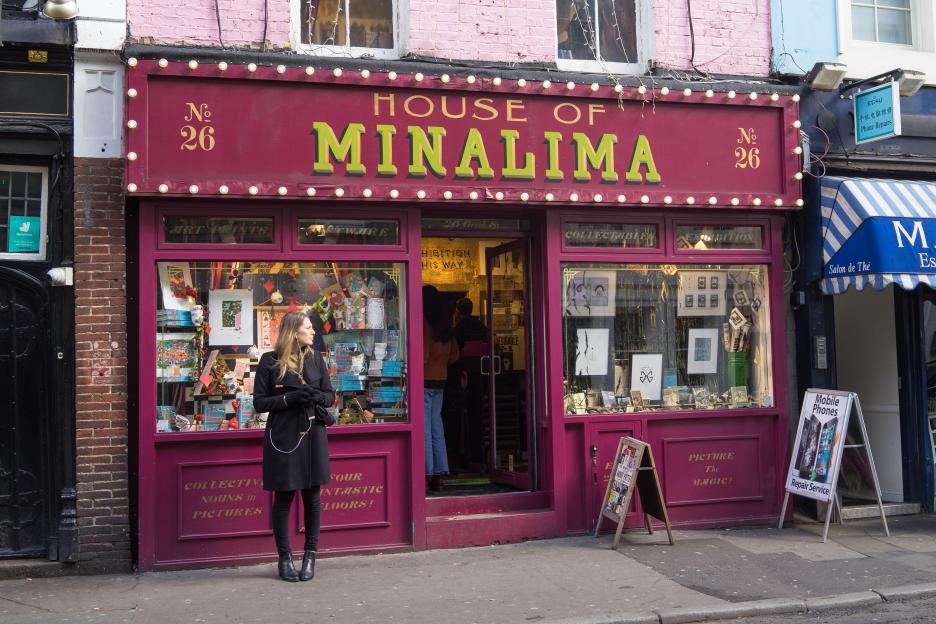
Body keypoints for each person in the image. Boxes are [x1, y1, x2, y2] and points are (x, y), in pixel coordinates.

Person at [253, 311, 335, 582]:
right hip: (284, 435)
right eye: (308, 328)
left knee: (312, 496)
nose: (313, 332)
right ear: (293, 332)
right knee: (284, 496)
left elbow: (330, 396)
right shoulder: (270, 361)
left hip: (313, 432)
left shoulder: (316, 358)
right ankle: (284, 558)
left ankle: (310, 556)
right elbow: (260, 403)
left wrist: (316, 396)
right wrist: (290, 398)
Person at [423, 285, 459, 491]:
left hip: (425, 380)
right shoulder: (446, 325)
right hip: (441, 380)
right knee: (436, 424)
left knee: (424, 426)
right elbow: (455, 356)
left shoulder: (424, 324)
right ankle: (440, 472)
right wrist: (440, 363)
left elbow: (423, 355)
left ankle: (427, 472)